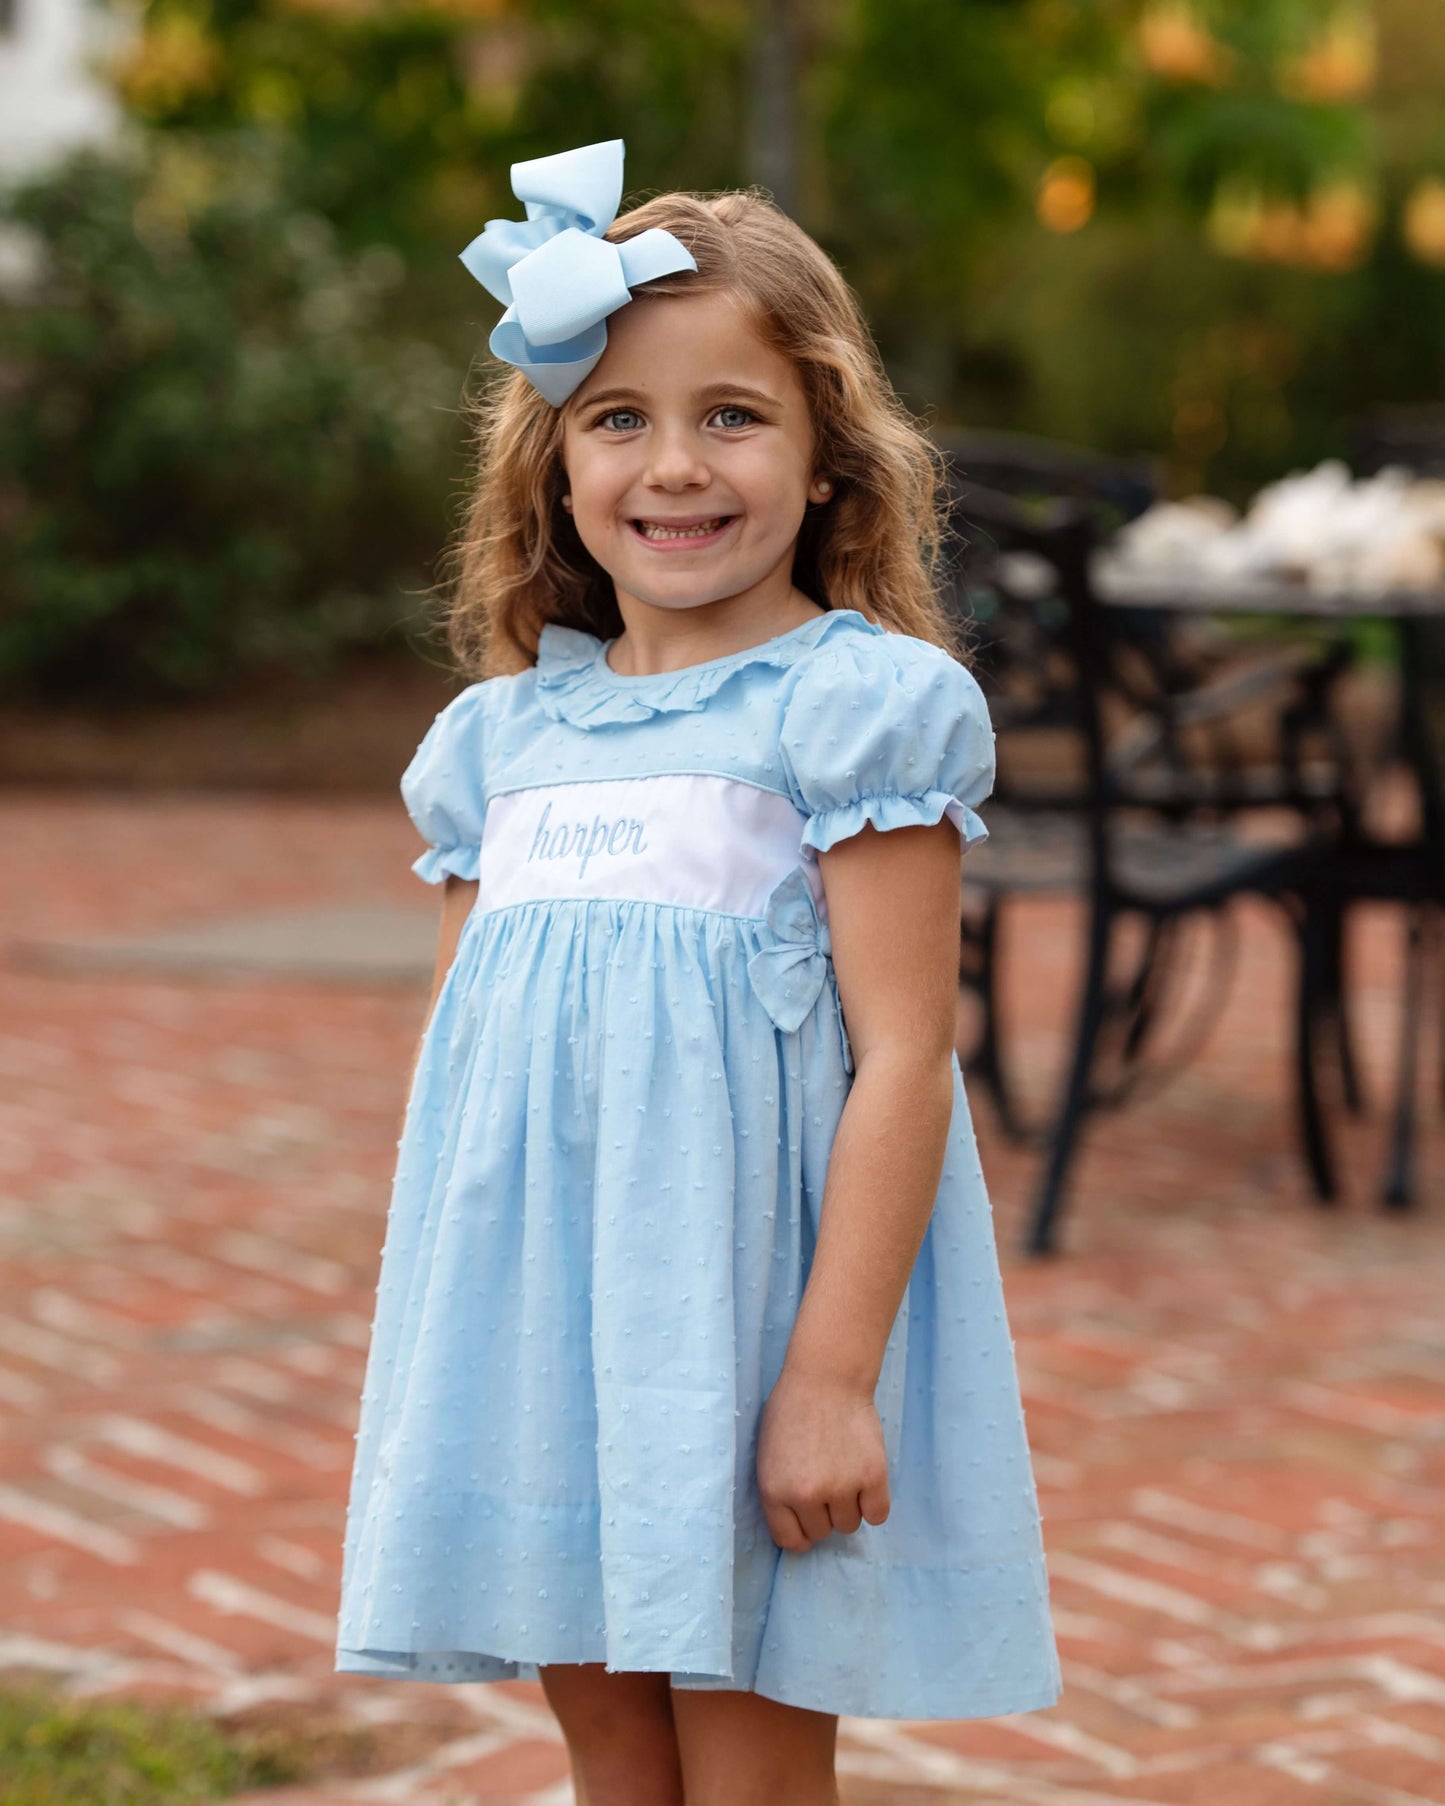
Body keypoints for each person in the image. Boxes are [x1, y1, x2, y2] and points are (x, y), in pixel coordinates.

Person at [334, 139, 1062, 1806]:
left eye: (731, 414)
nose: (675, 465)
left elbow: (902, 1058)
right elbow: (463, 1089)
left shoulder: (848, 712)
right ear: (556, 467)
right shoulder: (493, 751)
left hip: (736, 1347)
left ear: (826, 463)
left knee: (741, 1762)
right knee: (613, 1755)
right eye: (619, 420)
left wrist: (825, 1378)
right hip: (539, 1351)